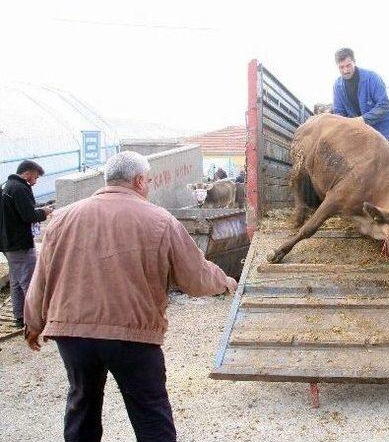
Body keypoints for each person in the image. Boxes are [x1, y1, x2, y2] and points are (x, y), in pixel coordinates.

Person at [23, 151, 238, 442]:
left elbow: (42, 276)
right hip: (132, 335)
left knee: (81, 408)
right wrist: (224, 281)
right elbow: (194, 276)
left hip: (73, 334)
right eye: (147, 180)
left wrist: (33, 322)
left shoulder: (62, 218)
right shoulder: (159, 219)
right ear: (138, 181)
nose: (148, 185)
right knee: (150, 414)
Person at [0, 160, 53, 328]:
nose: (35, 182)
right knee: (29, 281)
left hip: (7, 243)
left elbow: (20, 209)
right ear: (28, 173)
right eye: (35, 177)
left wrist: (39, 207)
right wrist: (44, 212)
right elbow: (28, 215)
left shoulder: (7, 186)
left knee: (16, 281)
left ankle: (20, 317)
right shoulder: (20, 188)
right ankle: (34, 319)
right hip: (20, 243)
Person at [332, 47, 389, 142]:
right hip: (360, 135)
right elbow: (339, 112)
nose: (345, 70)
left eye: (348, 65)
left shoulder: (372, 78)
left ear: (354, 62)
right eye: (341, 67)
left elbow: (384, 105)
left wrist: (362, 120)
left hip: (383, 134)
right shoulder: (337, 86)